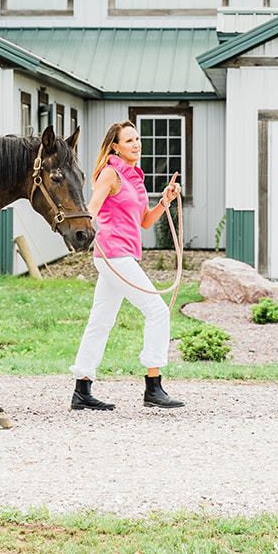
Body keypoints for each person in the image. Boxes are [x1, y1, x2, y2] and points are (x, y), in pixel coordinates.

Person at [69, 120, 184, 410]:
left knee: (100, 321)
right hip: (113, 254)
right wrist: (84, 232)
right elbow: (92, 209)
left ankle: (82, 389)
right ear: (115, 147)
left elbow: (144, 221)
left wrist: (165, 201)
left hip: (123, 256)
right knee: (157, 310)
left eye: (137, 139)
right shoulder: (110, 173)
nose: (136, 144)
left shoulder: (135, 178)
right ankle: (153, 385)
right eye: (129, 140)